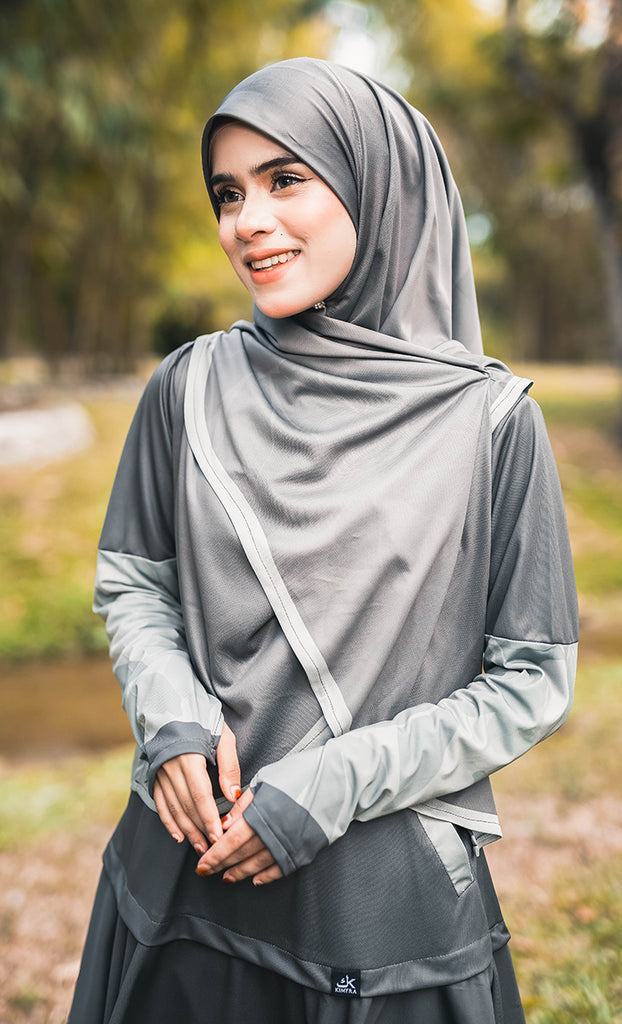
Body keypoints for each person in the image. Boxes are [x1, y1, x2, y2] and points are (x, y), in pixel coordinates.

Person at [68, 57, 579, 1024]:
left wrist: (336, 781)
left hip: (377, 918)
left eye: (285, 179)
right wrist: (170, 720)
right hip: (184, 883)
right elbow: (137, 583)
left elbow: (531, 681)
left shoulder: (492, 423)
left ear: (374, 185)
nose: (247, 221)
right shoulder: (188, 387)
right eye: (228, 193)